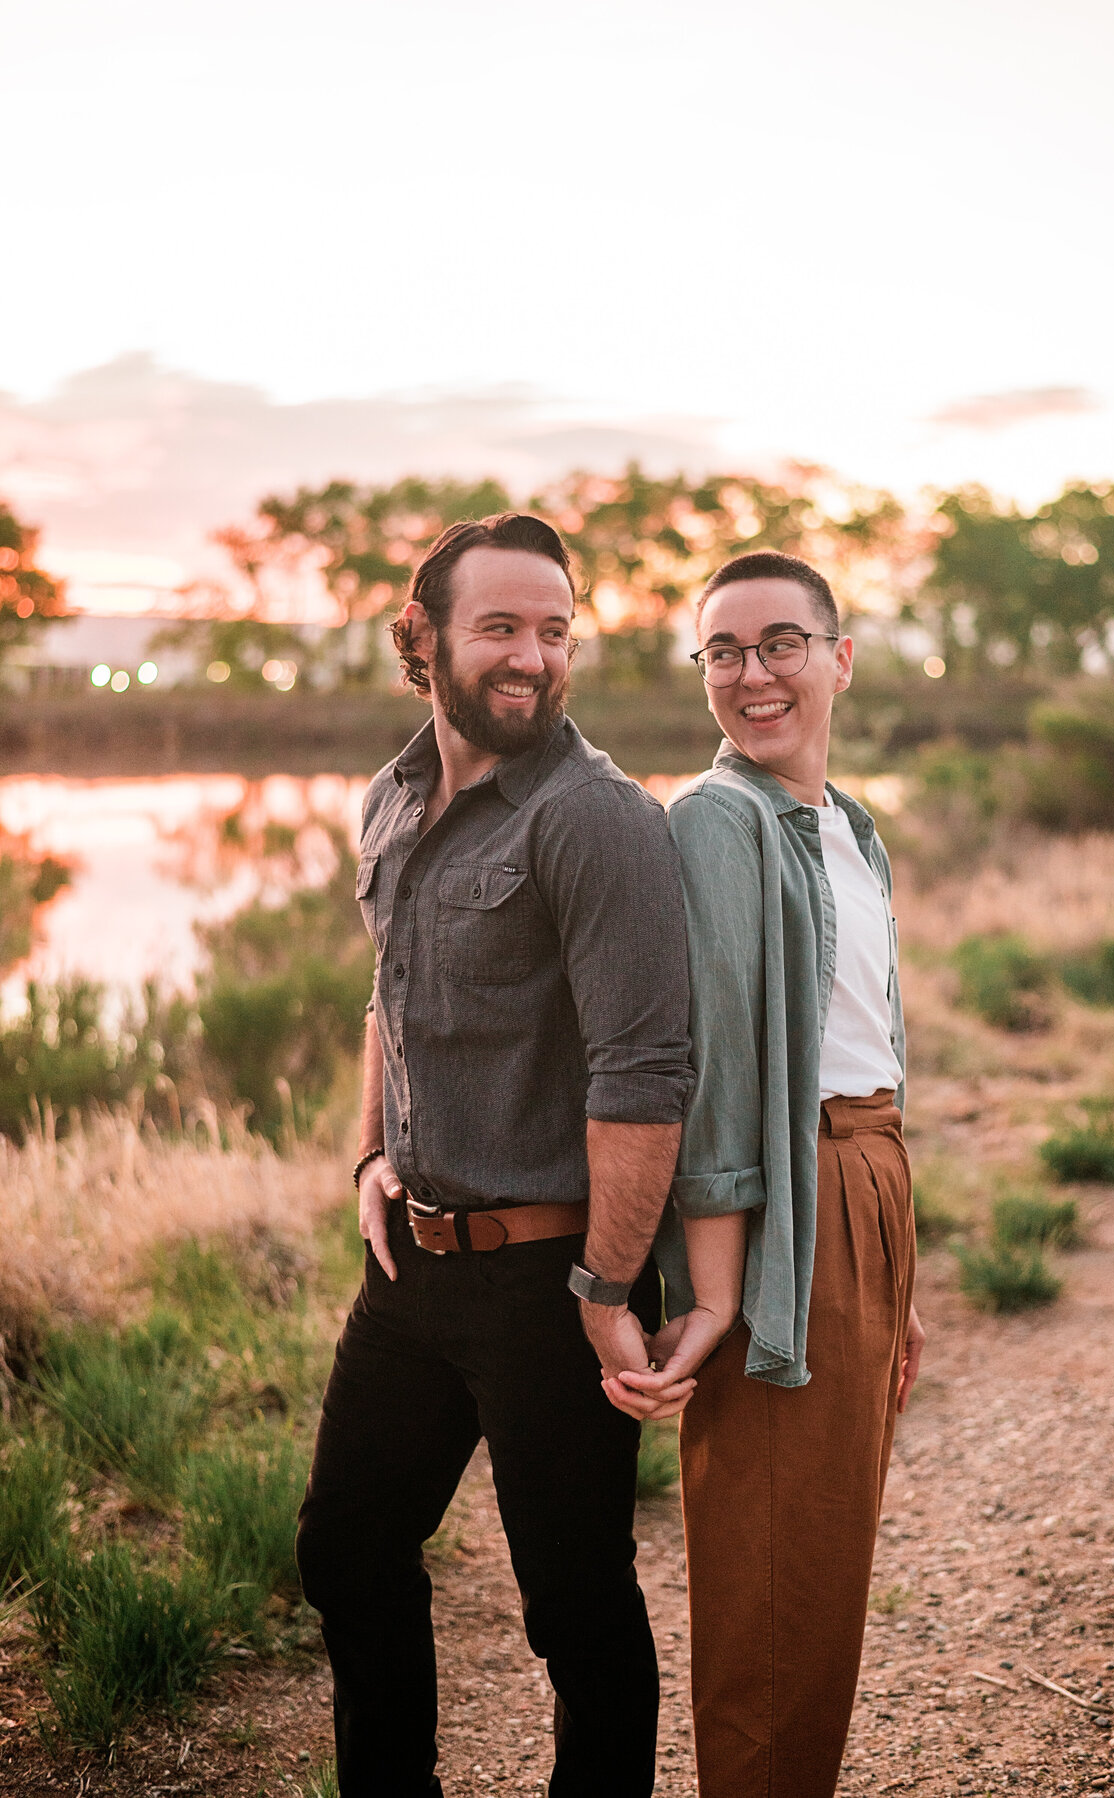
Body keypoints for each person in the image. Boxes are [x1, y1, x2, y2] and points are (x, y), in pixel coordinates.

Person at [295, 512, 697, 1798]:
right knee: (347, 1547)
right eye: (502, 627)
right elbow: (389, 994)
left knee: (574, 1604)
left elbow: (645, 1079)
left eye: (555, 629)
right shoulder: (392, 795)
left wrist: (603, 1291)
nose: (534, 655)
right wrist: (370, 1159)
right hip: (410, 1273)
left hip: (552, 1284)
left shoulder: (598, 820)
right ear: (419, 638)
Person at [614, 550, 926, 1798]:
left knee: (826, 1558)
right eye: (725, 652)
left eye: (781, 642)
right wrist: (724, 1286)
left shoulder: (852, 830)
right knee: (772, 1574)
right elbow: (723, 1079)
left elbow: (873, 1047)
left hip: (869, 1178)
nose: (754, 675)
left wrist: (903, 1273)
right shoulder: (717, 822)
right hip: (791, 1207)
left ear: (840, 658)